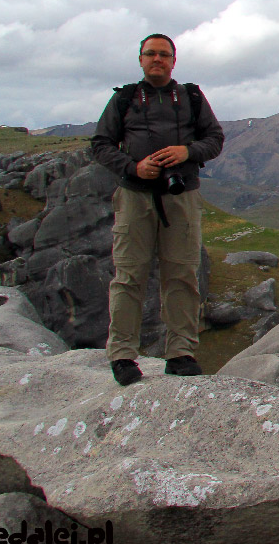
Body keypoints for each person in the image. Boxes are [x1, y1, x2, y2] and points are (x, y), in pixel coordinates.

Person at [90, 33, 224, 385]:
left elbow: (215, 140)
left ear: (174, 61)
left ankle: (181, 353)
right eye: (150, 54)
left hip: (181, 196)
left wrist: (186, 152)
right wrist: (132, 167)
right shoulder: (124, 99)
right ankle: (122, 356)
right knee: (129, 276)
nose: (157, 59)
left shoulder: (192, 97)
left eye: (164, 54)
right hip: (135, 195)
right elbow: (100, 144)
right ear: (140, 59)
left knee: (181, 275)